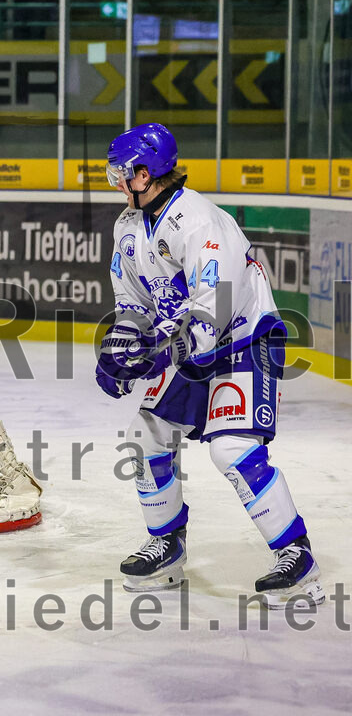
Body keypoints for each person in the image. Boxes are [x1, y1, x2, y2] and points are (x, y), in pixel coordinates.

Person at [96, 122, 324, 609]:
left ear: (145, 173)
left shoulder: (198, 220)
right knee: (146, 437)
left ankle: (297, 556)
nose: (116, 181)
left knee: (233, 449)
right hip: (190, 346)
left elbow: (211, 312)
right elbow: (134, 304)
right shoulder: (128, 228)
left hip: (242, 342)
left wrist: (152, 356)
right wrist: (119, 352)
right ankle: (167, 547)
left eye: (122, 173)